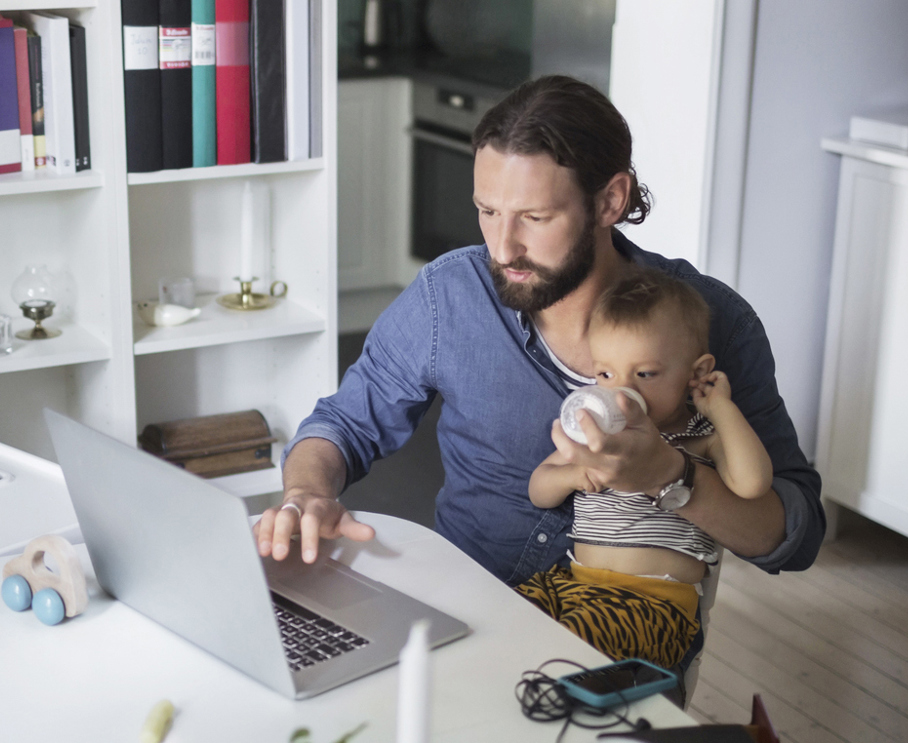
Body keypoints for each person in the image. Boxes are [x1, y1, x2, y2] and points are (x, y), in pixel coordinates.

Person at [254, 75, 825, 668]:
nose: (503, 247)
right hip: (462, 617)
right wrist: (306, 493)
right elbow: (343, 423)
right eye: (488, 211)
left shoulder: (713, 321)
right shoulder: (449, 295)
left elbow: (792, 537)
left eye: (534, 216)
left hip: (617, 644)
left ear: (611, 200)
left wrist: (669, 476)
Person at [517, 267, 772, 669]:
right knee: (501, 621)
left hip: (652, 605)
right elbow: (539, 488)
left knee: (566, 653)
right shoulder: (594, 434)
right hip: (573, 585)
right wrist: (572, 475)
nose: (622, 391)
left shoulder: (701, 435)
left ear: (697, 372)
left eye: (645, 374)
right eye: (605, 373)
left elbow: (753, 484)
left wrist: (720, 408)